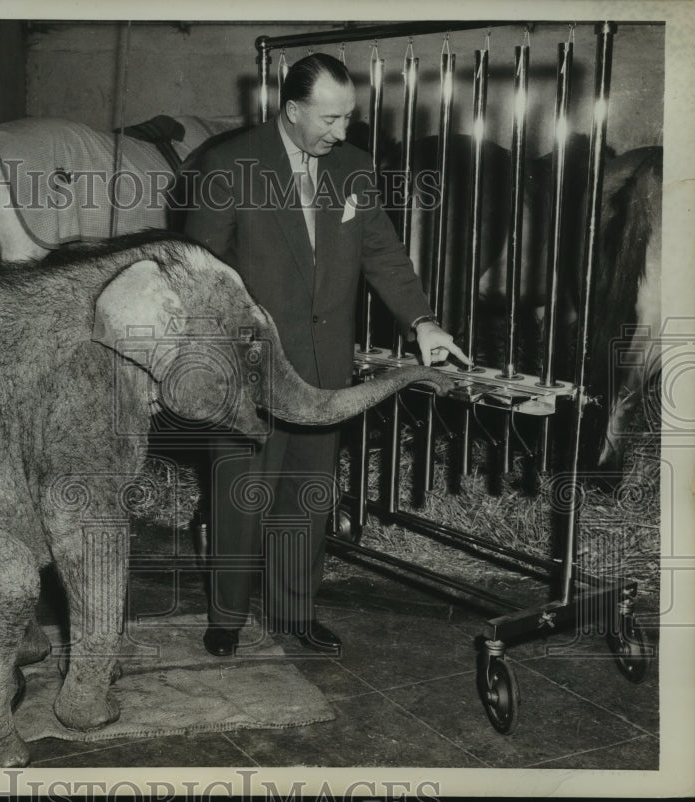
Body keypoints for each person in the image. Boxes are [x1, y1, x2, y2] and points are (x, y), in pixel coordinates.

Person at [184, 53, 470, 657]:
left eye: (348, 118)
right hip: (250, 365)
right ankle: (227, 617)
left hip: (325, 366)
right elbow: (199, 277)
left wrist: (422, 322)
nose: (342, 132)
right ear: (292, 112)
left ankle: (294, 612)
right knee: (241, 492)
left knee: (309, 493)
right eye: (330, 119)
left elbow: (384, 256)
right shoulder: (224, 166)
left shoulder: (354, 168)